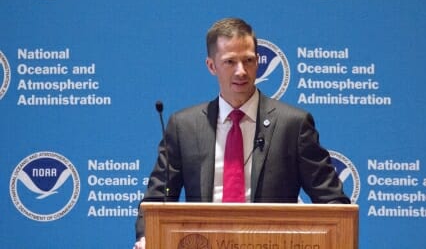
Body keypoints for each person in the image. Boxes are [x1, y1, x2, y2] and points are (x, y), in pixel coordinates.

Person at [133, 17, 350, 249]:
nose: (241, 71)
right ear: (211, 66)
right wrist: (148, 237)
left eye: (248, 60)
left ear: (258, 62)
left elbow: (333, 203)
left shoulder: (293, 125)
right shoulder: (184, 126)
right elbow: (159, 197)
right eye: (230, 62)